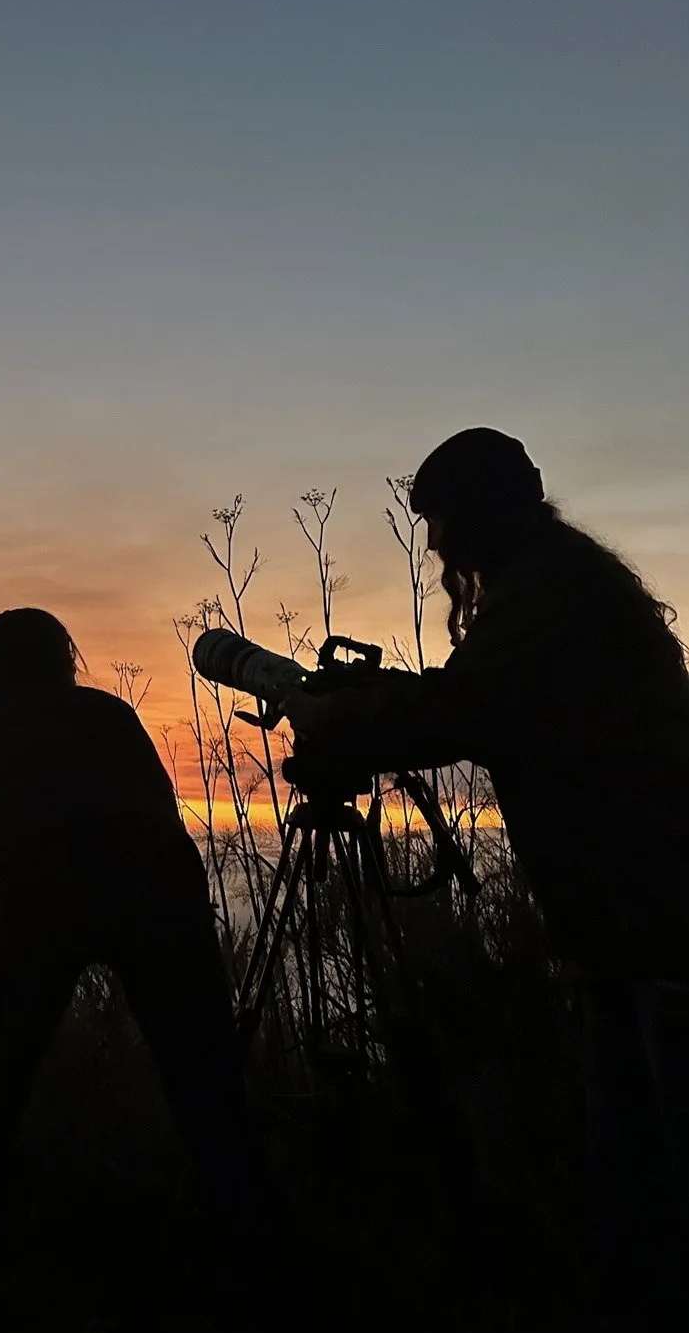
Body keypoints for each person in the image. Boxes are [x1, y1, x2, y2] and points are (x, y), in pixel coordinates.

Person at [281, 427, 689, 1331]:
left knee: (655, 1177)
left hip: (650, 925)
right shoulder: (561, 581)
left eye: (437, 525)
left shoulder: (546, 595)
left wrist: (336, 719)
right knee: (637, 1169)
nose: (432, 548)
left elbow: (458, 710)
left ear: (480, 516)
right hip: (628, 921)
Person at [0, 607, 255, 1332]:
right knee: (207, 1088)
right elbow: (157, 816)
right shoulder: (109, 716)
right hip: (158, 884)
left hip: (33, 894)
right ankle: (253, 1264)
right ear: (65, 658)